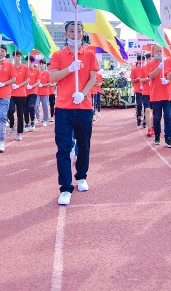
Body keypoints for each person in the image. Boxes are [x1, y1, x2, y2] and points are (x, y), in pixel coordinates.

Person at [49, 21, 98, 205]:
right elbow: (53, 76)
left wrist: (83, 94)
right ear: (65, 34)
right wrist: (69, 69)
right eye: (71, 31)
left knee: (84, 145)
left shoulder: (89, 54)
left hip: (83, 106)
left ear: (82, 34)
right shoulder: (58, 55)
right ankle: (65, 187)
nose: (74, 34)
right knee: (63, 148)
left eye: (78, 31)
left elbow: (93, 78)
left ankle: (81, 176)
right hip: (63, 107)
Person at [147, 44, 171, 147]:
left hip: (167, 95)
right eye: (157, 51)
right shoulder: (150, 64)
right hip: (156, 96)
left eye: (160, 51)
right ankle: (157, 136)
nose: (159, 53)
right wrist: (159, 67)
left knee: (168, 117)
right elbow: (151, 76)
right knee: (157, 117)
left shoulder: (167, 62)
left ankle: (168, 138)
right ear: (153, 53)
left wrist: (167, 81)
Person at [10, 50, 30, 141]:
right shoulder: (10, 66)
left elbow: (28, 80)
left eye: (18, 56)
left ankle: (19, 133)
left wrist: (18, 85)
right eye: (15, 56)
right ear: (13, 57)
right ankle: (12, 125)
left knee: (20, 114)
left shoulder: (25, 67)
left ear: (21, 57)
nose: (17, 57)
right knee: (10, 110)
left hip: (21, 93)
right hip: (11, 93)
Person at [26, 55, 40, 130]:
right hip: (25, 92)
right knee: (25, 109)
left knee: (31, 106)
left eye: (28, 61)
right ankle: (27, 123)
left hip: (33, 91)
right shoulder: (25, 69)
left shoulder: (37, 70)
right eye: (26, 61)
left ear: (32, 62)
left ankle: (32, 122)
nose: (27, 63)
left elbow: (38, 81)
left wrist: (32, 86)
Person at [37, 59, 52, 126]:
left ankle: (45, 120)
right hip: (37, 91)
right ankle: (38, 118)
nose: (41, 65)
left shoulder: (47, 73)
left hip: (45, 92)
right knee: (35, 105)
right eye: (40, 64)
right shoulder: (37, 72)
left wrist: (43, 85)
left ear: (45, 65)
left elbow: (49, 83)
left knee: (45, 106)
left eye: (42, 64)